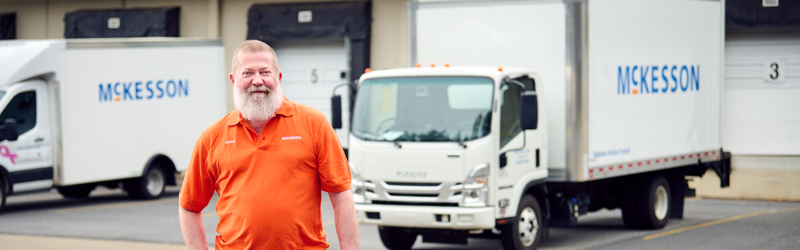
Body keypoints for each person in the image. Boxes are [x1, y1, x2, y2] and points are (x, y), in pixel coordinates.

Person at [178, 40, 359, 250]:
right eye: (247, 73)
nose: (257, 81)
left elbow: (342, 197)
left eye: (265, 72)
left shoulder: (314, 124)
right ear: (233, 79)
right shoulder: (212, 138)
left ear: (278, 77)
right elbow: (189, 207)